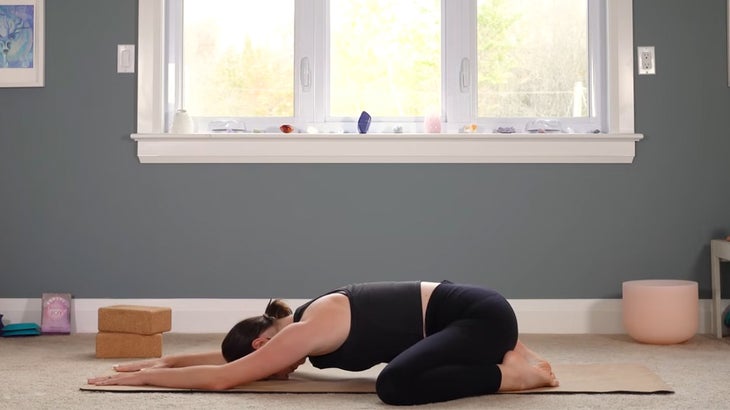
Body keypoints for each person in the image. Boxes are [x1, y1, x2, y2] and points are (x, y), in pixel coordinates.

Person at [88, 281, 558, 405]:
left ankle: (509, 374)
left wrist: (146, 378)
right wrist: (165, 361)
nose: (276, 372)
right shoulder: (301, 324)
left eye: (268, 363)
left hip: (478, 317)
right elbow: (228, 360)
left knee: (394, 386)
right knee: (407, 377)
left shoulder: (305, 330)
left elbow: (224, 377)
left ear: (261, 344)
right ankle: (505, 357)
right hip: (466, 323)